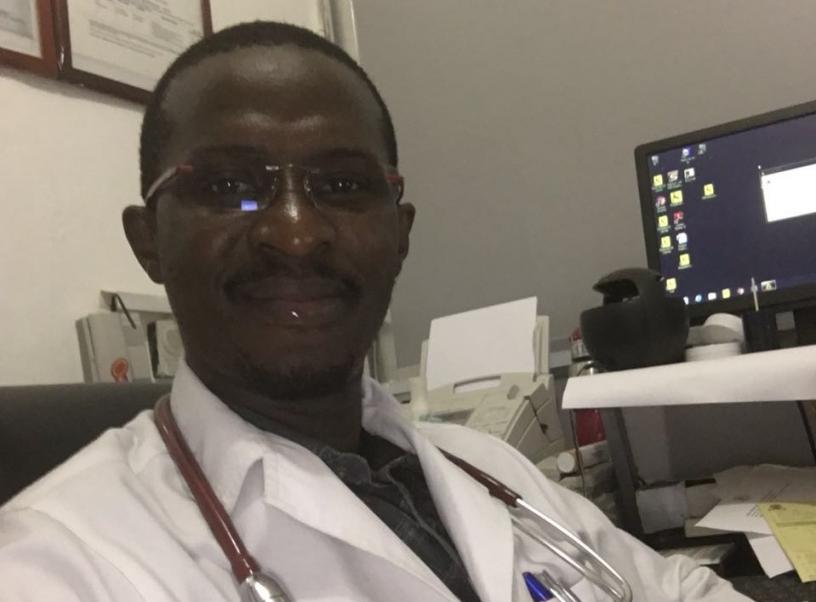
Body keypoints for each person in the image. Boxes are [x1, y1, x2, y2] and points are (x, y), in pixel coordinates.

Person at [0, 21, 751, 601]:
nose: (295, 233)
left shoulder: (482, 467)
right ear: (149, 242)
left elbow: (678, 588)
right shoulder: (54, 562)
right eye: (229, 188)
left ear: (401, 234)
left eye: (341, 185)